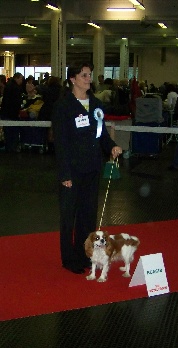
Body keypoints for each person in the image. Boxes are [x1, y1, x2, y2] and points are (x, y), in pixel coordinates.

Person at [52, 62, 122, 274]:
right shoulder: (63, 106)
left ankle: (84, 255)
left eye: (89, 75)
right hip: (71, 170)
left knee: (87, 215)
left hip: (92, 168)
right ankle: (69, 259)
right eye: (84, 75)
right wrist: (64, 173)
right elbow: (61, 143)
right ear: (72, 79)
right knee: (68, 217)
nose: (88, 79)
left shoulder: (97, 104)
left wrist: (112, 147)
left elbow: (102, 136)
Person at [1, 72, 24, 152]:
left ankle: (8, 147)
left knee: (7, 131)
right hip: (13, 114)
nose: (22, 81)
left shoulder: (8, 85)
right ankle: (13, 147)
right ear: (16, 78)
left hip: (5, 112)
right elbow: (17, 102)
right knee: (14, 131)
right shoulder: (17, 88)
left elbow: (5, 100)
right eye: (21, 79)